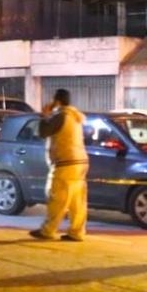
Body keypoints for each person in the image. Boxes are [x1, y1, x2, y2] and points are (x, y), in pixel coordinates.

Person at [29, 89, 89, 241]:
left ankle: (48, 230)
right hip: (81, 162)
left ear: (56, 101)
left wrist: (44, 116)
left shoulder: (61, 116)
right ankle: (76, 232)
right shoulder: (75, 116)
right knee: (77, 200)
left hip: (65, 162)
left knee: (57, 198)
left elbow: (43, 132)